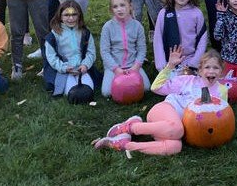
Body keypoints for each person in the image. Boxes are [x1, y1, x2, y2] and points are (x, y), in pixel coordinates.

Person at [94, 48, 229, 155]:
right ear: (200, 70)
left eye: (215, 68)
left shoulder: (221, 91)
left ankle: (123, 145)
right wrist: (170, 66)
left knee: (175, 147)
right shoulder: (188, 80)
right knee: (177, 129)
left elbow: (220, 117)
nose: (211, 71)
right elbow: (156, 87)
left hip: (175, 130)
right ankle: (129, 127)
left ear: (221, 72)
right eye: (207, 67)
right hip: (165, 110)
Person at [42, 0, 98, 103]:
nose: (71, 18)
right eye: (66, 15)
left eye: (74, 14)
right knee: (72, 93)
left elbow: (91, 52)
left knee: (88, 91)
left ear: (79, 15)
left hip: (82, 69)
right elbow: (51, 56)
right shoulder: (54, 35)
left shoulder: (85, 32)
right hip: (65, 70)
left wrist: (85, 65)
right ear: (60, 16)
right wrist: (64, 68)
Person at [100, 0, 151, 98]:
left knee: (145, 88)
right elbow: (104, 52)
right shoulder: (107, 27)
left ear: (130, 6)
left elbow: (142, 49)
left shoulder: (137, 26)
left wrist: (136, 66)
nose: (119, 9)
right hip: (114, 67)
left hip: (132, 65)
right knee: (107, 92)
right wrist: (115, 69)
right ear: (111, 10)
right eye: (115, 6)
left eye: (122, 5)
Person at [153, 0, 207, 73]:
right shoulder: (164, 13)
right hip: (169, 62)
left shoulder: (196, 13)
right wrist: (162, 65)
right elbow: (158, 40)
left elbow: (202, 39)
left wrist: (194, 63)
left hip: (190, 61)